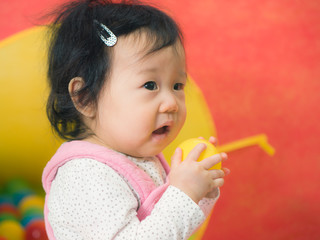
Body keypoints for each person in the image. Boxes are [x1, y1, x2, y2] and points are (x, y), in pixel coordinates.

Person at [42, 0, 230, 239]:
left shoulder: (138, 158)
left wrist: (200, 191)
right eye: (150, 85)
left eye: (177, 85)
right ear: (85, 98)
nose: (172, 102)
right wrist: (183, 194)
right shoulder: (85, 175)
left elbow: (172, 230)